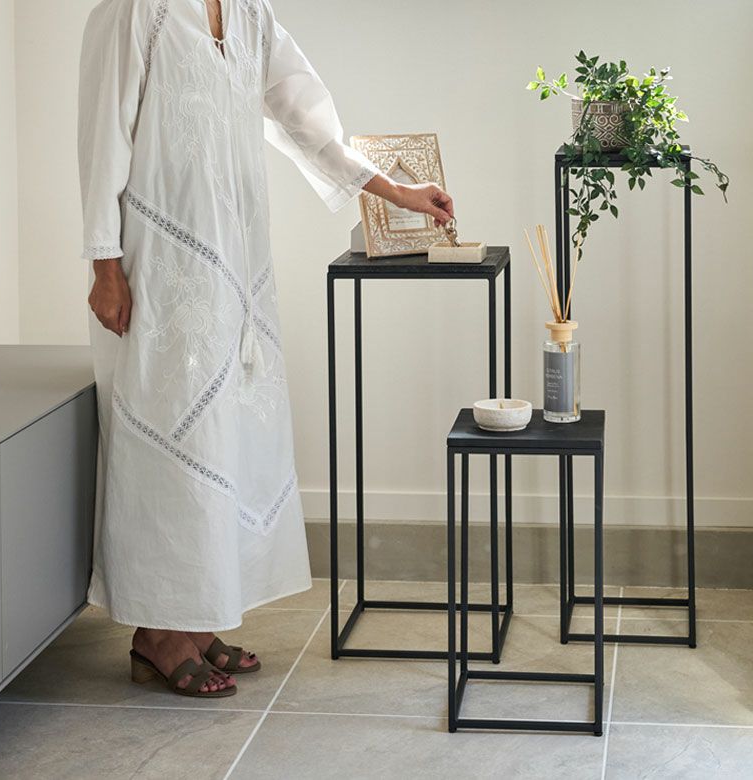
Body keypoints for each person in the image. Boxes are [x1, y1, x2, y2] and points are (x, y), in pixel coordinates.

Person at [78, 0, 454, 697]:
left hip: (234, 254)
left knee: (224, 431)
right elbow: (102, 132)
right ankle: (157, 631)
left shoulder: (250, 12)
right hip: (159, 256)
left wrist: (394, 190)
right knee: (168, 432)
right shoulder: (136, 8)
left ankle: (196, 614)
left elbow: (304, 115)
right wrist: (104, 262)